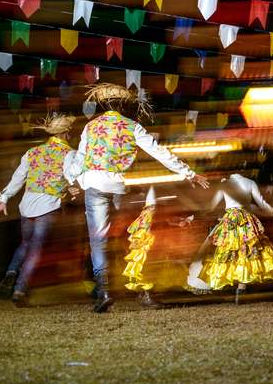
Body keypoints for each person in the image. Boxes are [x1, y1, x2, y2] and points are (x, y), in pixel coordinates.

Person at [66, 83, 209, 313]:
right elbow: (160, 152)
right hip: (119, 189)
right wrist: (188, 173)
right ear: (123, 105)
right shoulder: (132, 126)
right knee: (130, 240)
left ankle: (103, 292)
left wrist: (71, 182)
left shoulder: (90, 127)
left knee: (99, 242)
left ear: (103, 104)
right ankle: (143, 292)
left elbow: (80, 160)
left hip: (94, 185)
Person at [0, 114, 78, 307]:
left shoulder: (32, 152)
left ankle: (11, 272)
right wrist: (73, 188)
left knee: (25, 244)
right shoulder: (70, 154)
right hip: (48, 206)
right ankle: (20, 290)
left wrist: (3, 198)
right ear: (65, 133)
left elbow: (18, 178)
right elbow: (71, 176)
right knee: (36, 248)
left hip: (27, 205)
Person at [197, 172, 273, 303]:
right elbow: (262, 203)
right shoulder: (250, 182)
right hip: (246, 219)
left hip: (230, 219)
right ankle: (241, 289)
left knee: (229, 251)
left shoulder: (225, 183)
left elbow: (212, 205)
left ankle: (233, 283)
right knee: (247, 252)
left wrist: (201, 212)